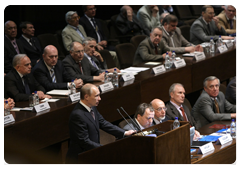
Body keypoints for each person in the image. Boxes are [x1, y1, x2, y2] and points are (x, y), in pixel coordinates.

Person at [66, 84, 135, 164]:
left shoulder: (92, 107)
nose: (100, 98)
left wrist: (124, 132)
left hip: (92, 155)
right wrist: (104, 149)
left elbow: (103, 123)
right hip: (80, 160)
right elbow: (84, 141)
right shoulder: (77, 115)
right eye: (96, 96)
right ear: (86, 97)